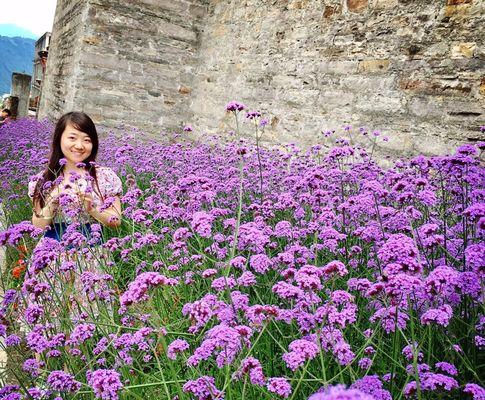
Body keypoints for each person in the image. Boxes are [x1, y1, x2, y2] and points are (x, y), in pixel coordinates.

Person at [27, 111, 122, 319]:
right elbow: (37, 227)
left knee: (85, 320)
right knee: (48, 319)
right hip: (51, 257)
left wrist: (92, 210)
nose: (79, 145)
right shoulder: (43, 180)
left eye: (86, 140)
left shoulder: (104, 177)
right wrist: (54, 199)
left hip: (92, 257)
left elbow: (116, 221)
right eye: (72, 137)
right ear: (59, 138)